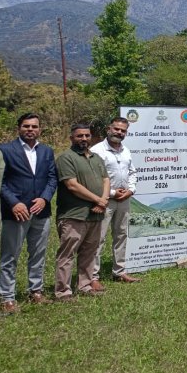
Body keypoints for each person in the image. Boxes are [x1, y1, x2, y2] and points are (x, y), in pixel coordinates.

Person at [0, 113, 57, 314]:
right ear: (19, 128)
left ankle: (36, 291)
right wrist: (14, 203)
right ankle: (7, 296)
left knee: (38, 254)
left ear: (40, 129)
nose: (30, 129)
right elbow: (2, 181)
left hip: (41, 211)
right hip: (16, 213)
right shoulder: (5, 150)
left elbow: (52, 178)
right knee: (10, 255)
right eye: (26, 126)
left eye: (34, 126)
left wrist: (44, 198)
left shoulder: (47, 151)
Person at [54, 124, 111, 301]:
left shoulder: (96, 158)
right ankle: (63, 290)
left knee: (89, 251)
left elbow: (106, 180)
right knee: (68, 253)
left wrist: (103, 201)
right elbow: (72, 185)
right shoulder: (66, 158)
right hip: (74, 214)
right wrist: (97, 199)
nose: (84, 139)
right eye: (79, 136)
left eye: (87, 136)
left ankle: (85, 284)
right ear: (72, 138)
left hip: (96, 213)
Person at [90, 117, 140, 284]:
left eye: (123, 130)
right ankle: (93, 276)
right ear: (108, 129)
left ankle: (119, 271)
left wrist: (131, 190)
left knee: (121, 235)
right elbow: (92, 178)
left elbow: (132, 172)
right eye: (116, 129)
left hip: (124, 199)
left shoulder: (125, 150)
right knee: (98, 238)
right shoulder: (97, 151)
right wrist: (112, 193)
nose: (119, 132)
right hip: (104, 200)